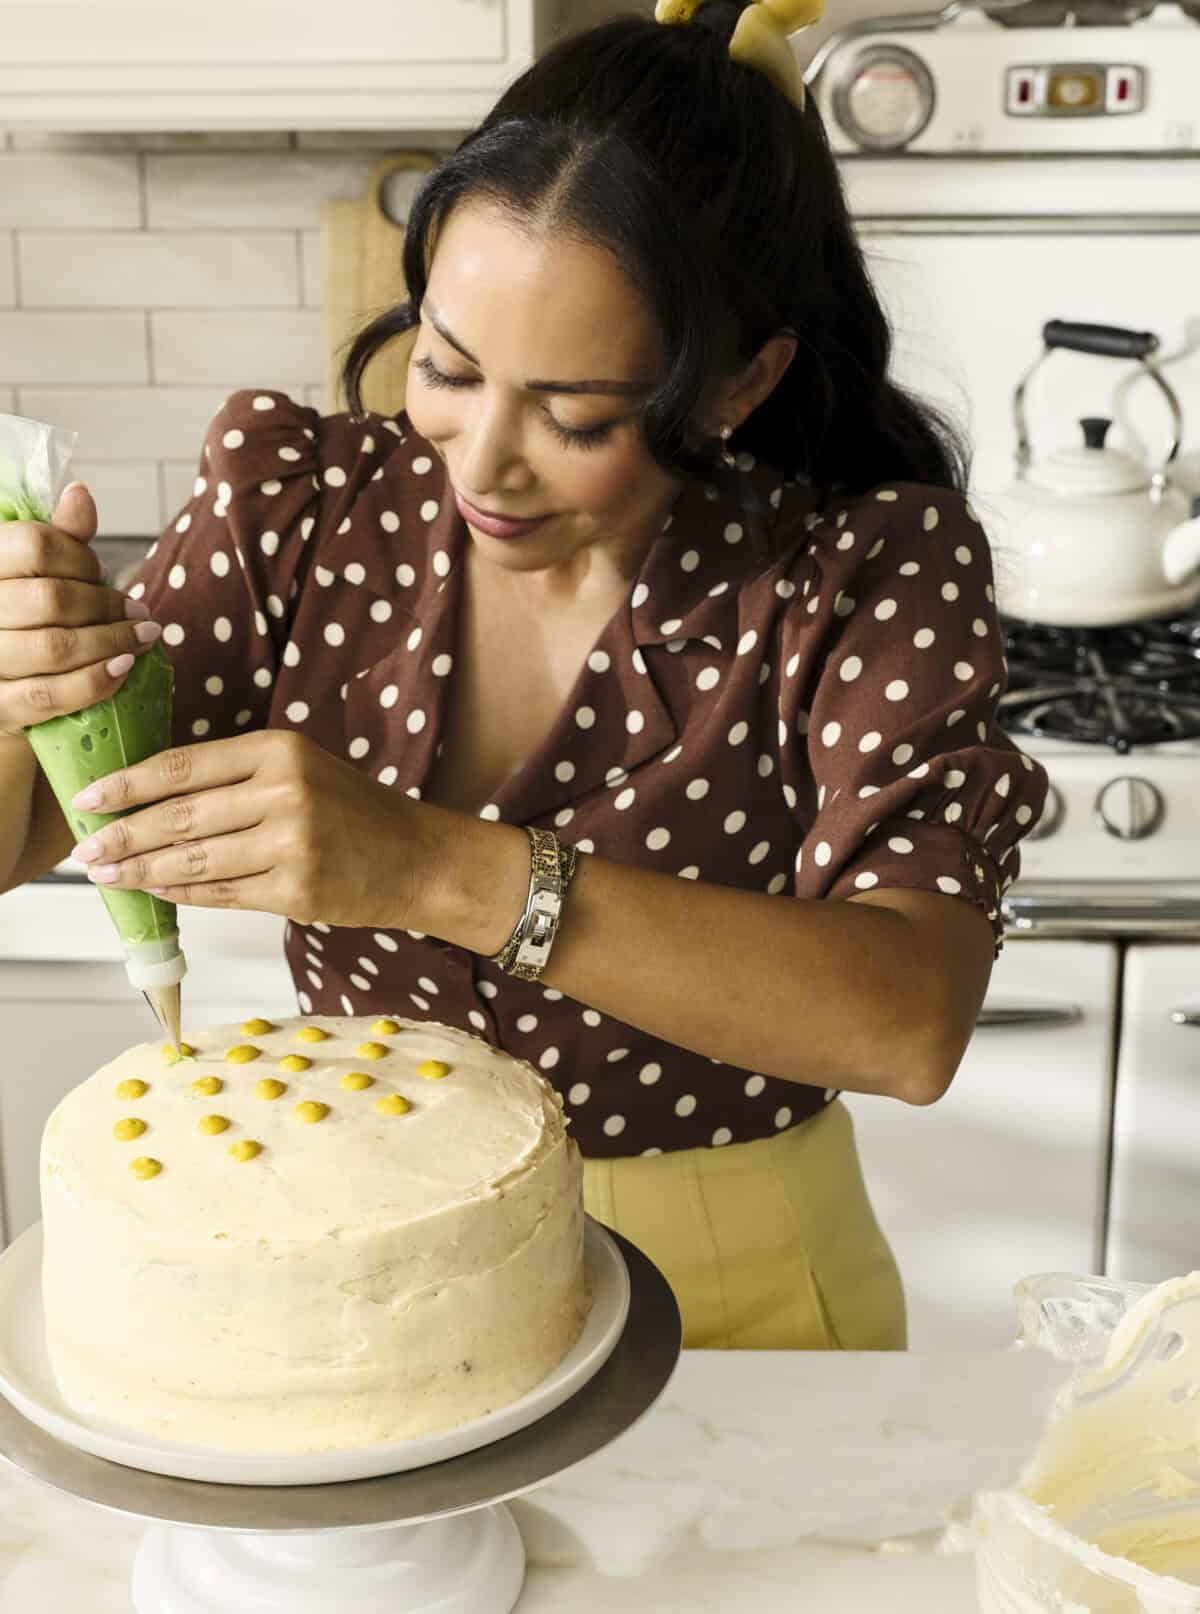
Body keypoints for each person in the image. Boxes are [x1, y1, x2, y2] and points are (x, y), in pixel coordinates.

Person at [0, 0, 1048, 1351]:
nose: (480, 458)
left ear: (736, 386)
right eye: (446, 366)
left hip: (741, 1283)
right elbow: (38, 832)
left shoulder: (860, 568)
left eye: (575, 416)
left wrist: (436, 868)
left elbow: (911, 1019)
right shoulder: (300, 504)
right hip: (377, 1266)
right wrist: (28, 695)